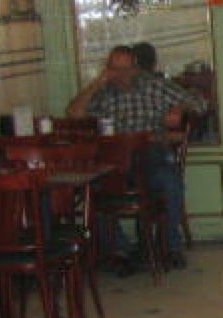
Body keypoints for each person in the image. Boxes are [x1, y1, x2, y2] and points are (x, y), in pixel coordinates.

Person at [67, 44, 205, 268]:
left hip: (151, 154)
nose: (121, 75)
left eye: (126, 69)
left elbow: (198, 101)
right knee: (93, 188)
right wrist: (97, 83)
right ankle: (121, 249)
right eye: (114, 69)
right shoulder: (103, 93)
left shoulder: (154, 86)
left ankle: (171, 245)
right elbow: (74, 113)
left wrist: (178, 108)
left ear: (136, 68)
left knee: (170, 180)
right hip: (115, 161)